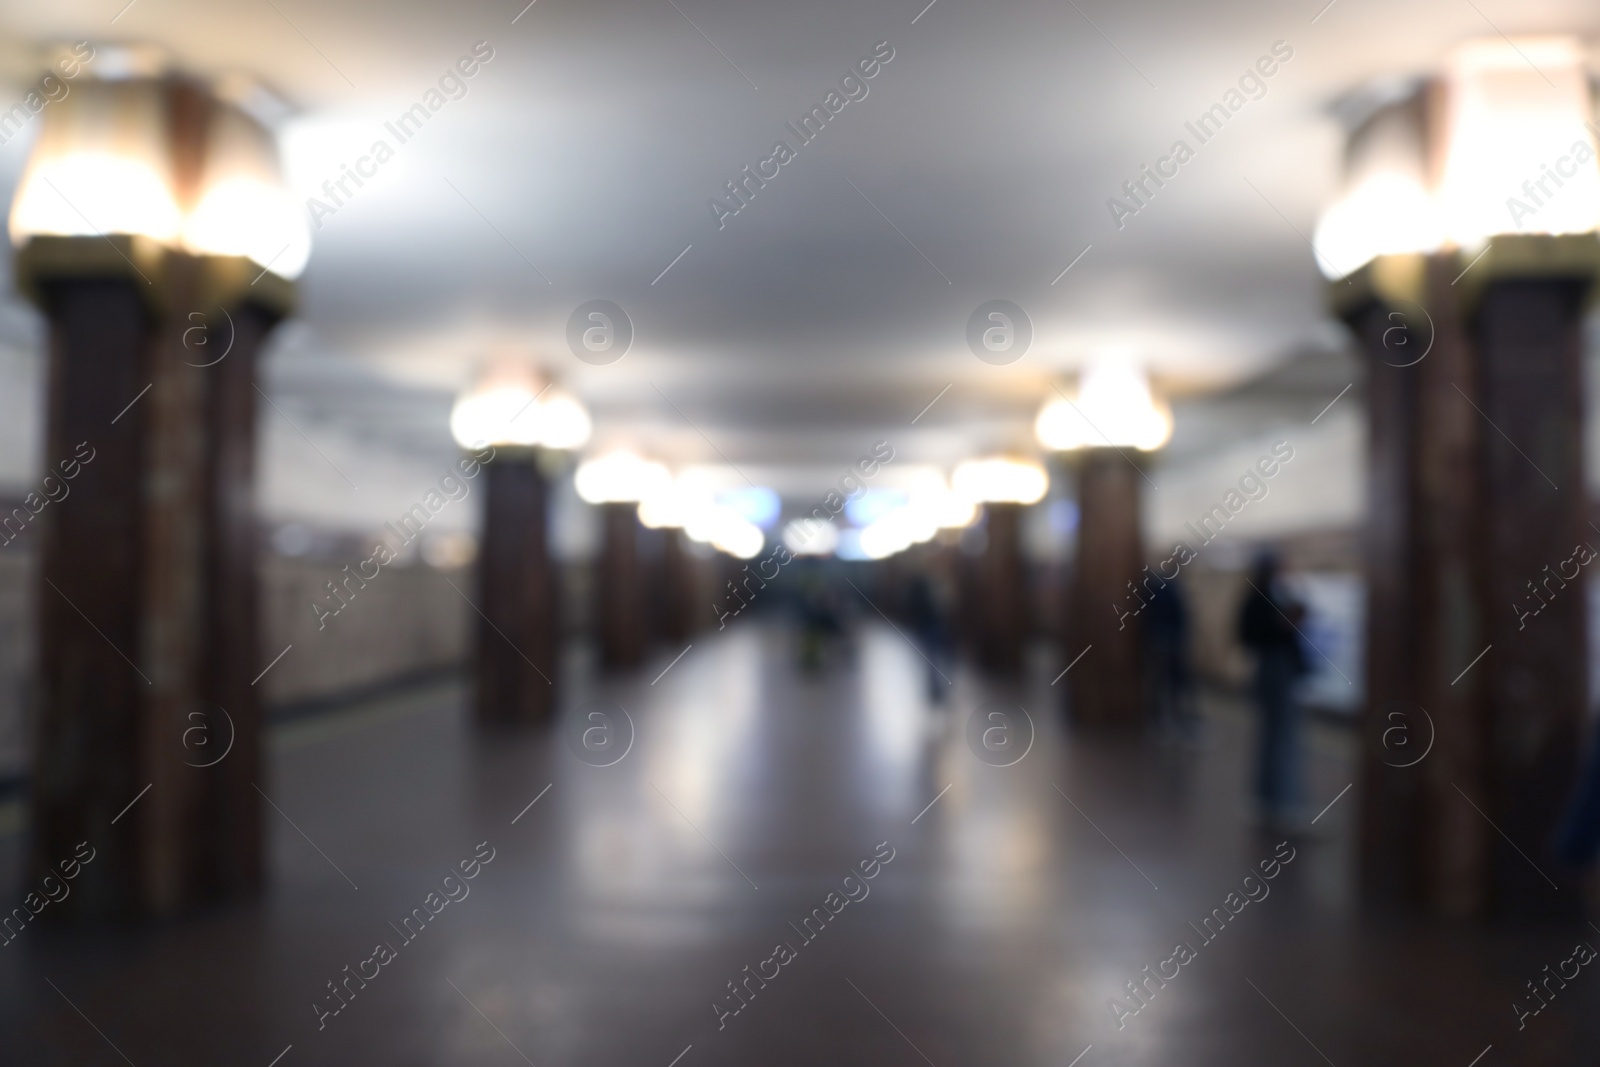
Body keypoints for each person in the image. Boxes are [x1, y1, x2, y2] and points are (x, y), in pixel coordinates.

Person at [1236, 550, 1308, 828]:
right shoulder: (1265, 599)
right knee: (1283, 737)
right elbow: (1256, 634)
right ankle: (1284, 803)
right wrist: (1286, 624)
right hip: (1276, 669)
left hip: (1269, 669)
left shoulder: (1257, 597)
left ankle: (1267, 798)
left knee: (1271, 735)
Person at [1142, 576, 1196, 740]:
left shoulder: (1155, 590)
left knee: (1163, 679)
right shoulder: (1170, 590)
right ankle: (1173, 716)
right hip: (1171, 639)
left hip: (1160, 638)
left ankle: (1165, 717)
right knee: (1172, 680)